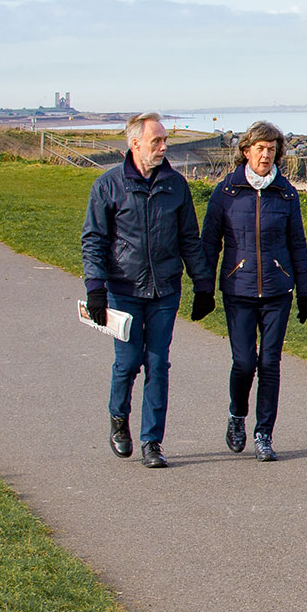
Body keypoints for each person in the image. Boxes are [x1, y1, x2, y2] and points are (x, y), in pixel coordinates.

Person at [82, 112, 215, 469]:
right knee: (128, 363)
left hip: (165, 291)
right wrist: (96, 288)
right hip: (123, 290)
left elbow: (189, 238)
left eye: (164, 141)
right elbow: (94, 240)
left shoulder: (175, 185)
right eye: (156, 141)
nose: (163, 147)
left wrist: (203, 284)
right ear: (134, 143)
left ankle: (152, 442)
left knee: (158, 363)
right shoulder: (108, 185)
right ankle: (118, 419)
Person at [202, 121, 307, 462]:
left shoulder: (286, 193)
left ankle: (263, 434)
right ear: (246, 151)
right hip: (239, 289)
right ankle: (237, 414)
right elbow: (209, 243)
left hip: (278, 290)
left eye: (272, 149)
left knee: (269, 362)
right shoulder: (226, 193)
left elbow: (297, 243)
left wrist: (305, 289)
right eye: (260, 148)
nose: (266, 155)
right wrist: (204, 288)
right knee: (244, 362)